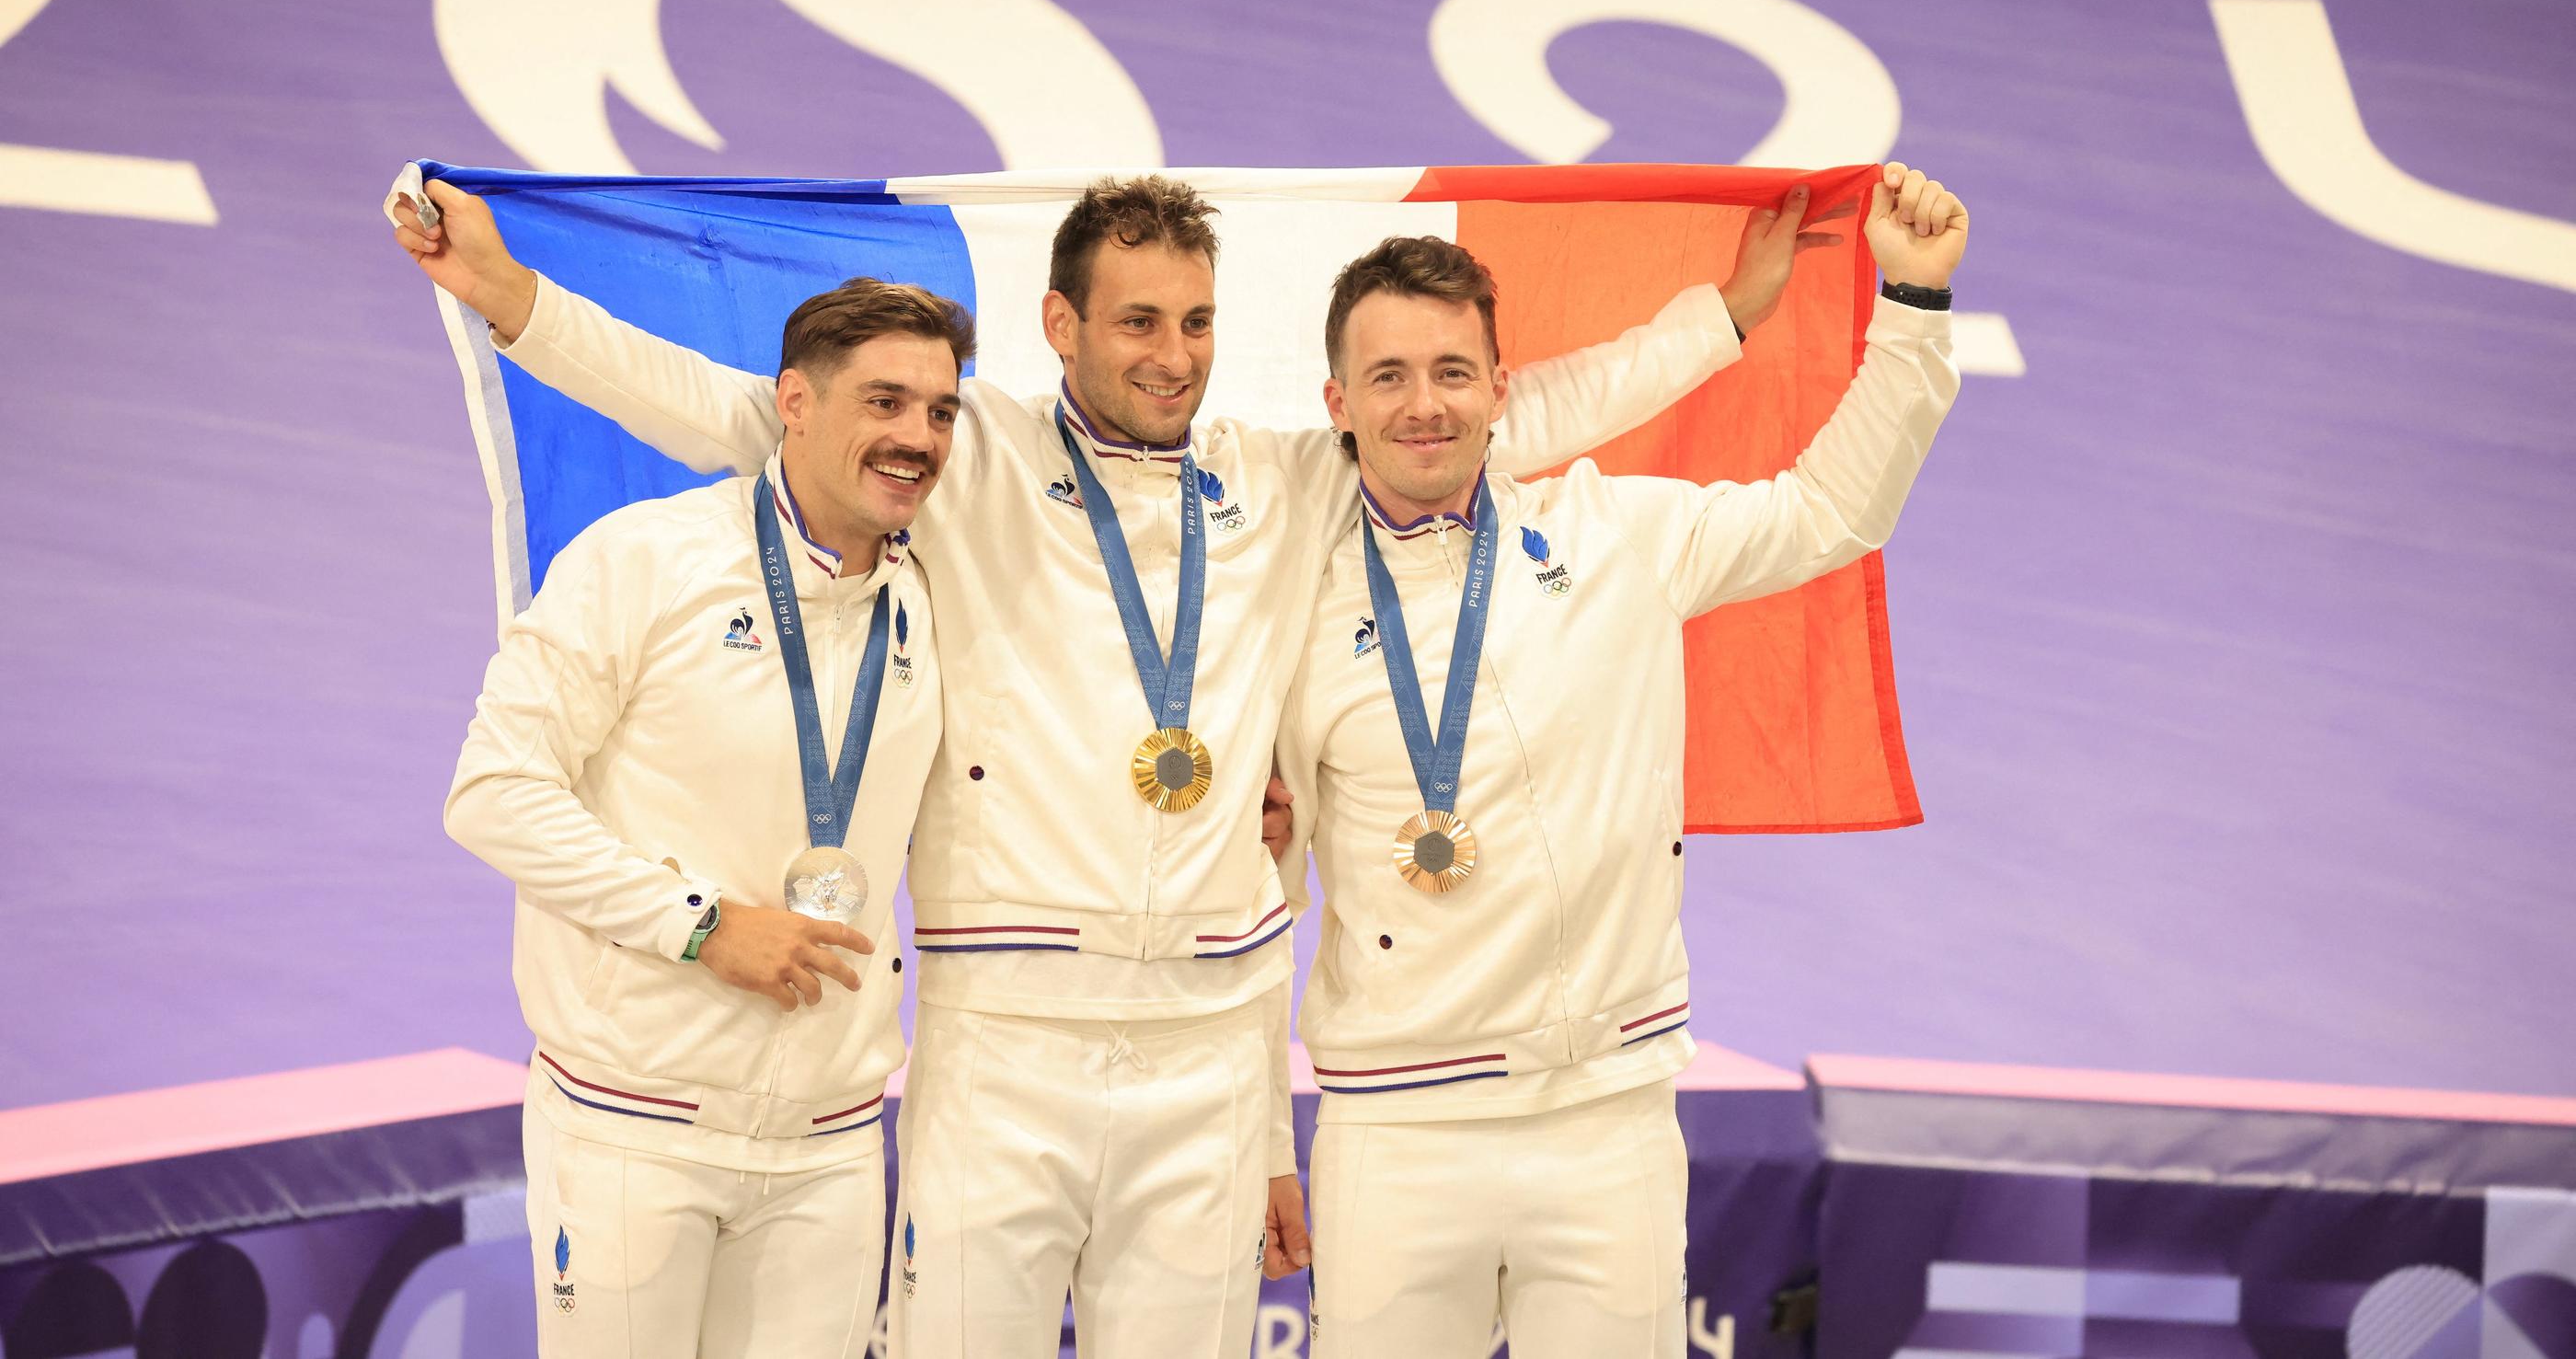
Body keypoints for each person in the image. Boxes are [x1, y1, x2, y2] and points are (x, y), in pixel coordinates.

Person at [398, 168, 1836, 1358]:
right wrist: (512, 301)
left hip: (1208, 1059)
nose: (1174, 354)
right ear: (1061, 327)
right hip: (1003, 1038)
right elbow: (718, 407)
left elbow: (1481, 419)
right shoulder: (961, 461)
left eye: (1199, 322)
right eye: (1139, 320)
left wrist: (1714, 322)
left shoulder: (1281, 484)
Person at [1270, 165, 1966, 1357]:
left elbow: (1828, 516)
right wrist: (1252, 1140)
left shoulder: (1616, 535)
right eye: (1388, 376)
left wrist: (1910, 307)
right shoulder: (1280, 605)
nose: (1424, 405)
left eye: (1452, 373)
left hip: (1607, 1122)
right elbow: (1255, 907)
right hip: (1391, 1135)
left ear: (1502, 387)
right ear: (1339, 401)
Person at [443, 275, 972, 1358]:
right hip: (636, 1121)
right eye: (883, 401)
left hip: (829, 1140)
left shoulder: (937, 594)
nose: (916, 436)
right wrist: (699, 921)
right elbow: (493, 792)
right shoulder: (643, 560)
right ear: (793, 401)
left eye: (939, 409)